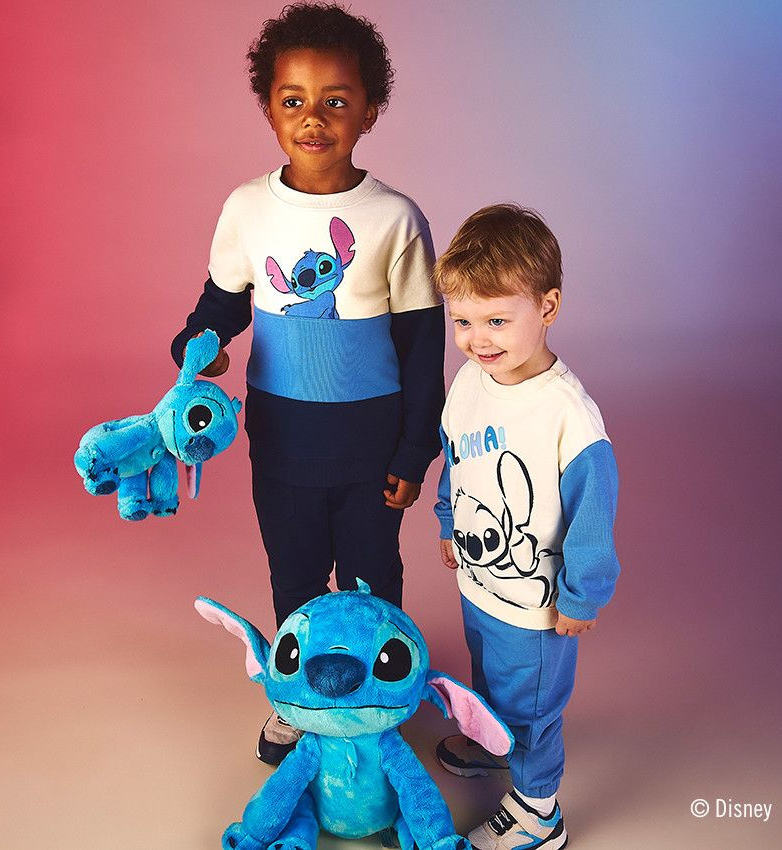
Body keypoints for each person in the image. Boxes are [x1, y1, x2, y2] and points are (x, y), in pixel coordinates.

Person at [171, 4, 444, 765]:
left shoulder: (394, 218)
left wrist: (413, 451)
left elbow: (422, 346)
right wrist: (197, 347)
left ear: (370, 110)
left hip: (371, 449)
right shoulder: (247, 208)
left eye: (336, 100)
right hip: (283, 444)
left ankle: (376, 697)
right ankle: (299, 696)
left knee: (371, 575)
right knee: (293, 573)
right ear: (268, 107)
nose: (313, 118)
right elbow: (221, 305)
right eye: (293, 100)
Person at [433, 205, 621, 850]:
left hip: (537, 607)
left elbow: (593, 513)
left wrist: (582, 595)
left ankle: (539, 810)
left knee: (532, 708)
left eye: (496, 320)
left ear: (547, 306)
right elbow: (454, 457)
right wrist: (448, 519)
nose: (477, 339)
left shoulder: (567, 414)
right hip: (481, 587)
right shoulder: (471, 381)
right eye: (462, 321)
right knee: (490, 680)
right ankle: (494, 745)